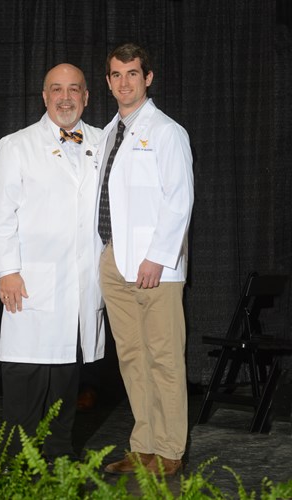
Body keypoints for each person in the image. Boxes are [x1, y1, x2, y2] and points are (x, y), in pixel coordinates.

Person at [0, 63, 105, 462]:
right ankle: (17, 465)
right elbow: (0, 214)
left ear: (86, 97)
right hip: (31, 283)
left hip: (81, 284)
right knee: (26, 375)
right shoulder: (16, 145)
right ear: (44, 96)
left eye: (74, 89)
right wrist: (7, 271)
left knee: (66, 380)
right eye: (57, 89)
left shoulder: (103, 142)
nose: (66, 97)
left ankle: (59, 460)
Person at [97, 43, 194, 476]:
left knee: (163, 357)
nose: (124, 82)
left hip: (155, 267)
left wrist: (157, 257)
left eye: (132, 73)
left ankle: (170, 450)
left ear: (148, 78)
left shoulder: (167, 132)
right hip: (114, 261)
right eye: (116, 74)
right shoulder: (106, 133)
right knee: (132, 357)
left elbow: (180, 200)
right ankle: (144, 446)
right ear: (108, 81)